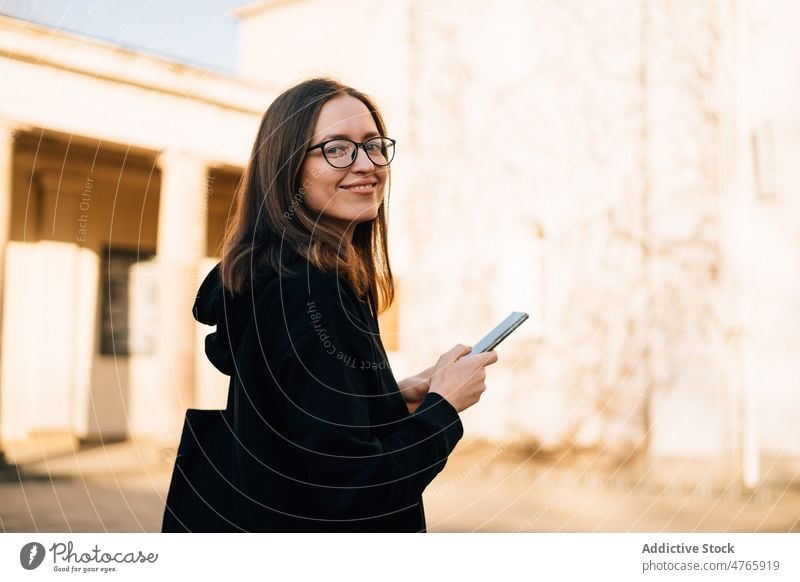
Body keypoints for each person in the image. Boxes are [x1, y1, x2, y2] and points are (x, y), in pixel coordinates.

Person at [193, 77, 498, 532]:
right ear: (288, 168)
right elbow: (355, 491)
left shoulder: (278, 277)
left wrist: (387, 399)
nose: (367, 164)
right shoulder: (307, 289)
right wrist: (444, 407)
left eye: (374, 145)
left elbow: (297, 427)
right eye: (337, 148)